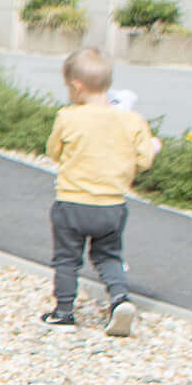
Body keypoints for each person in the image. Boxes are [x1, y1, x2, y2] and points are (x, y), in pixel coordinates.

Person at [44, 46, 159, 335]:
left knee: (67, 259)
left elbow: (54, 152)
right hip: (111, 207)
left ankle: (64, 312)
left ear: (76, 86)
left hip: (72, 204)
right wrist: (154, 146)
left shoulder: (68, 117)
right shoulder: (132, 120)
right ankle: (120, 299)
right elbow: (143, 160)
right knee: (108, 256)